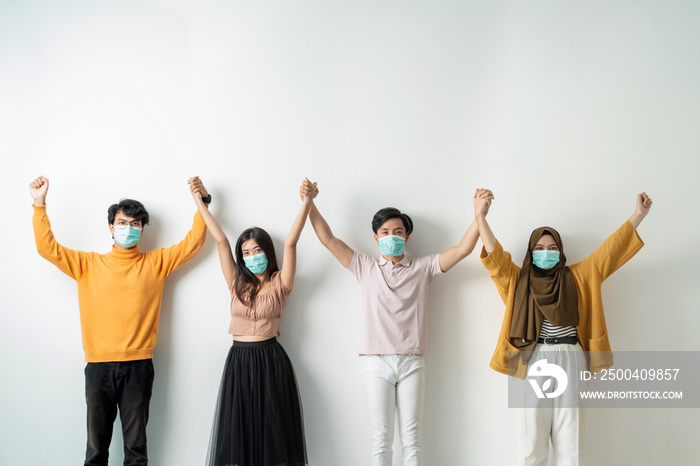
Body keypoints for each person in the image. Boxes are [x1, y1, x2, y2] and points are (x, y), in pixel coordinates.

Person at [305, 179, 492, 466]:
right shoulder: (364, 266)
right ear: (376, 237)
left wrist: (479, 214)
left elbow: (463, 250)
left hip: (412, 363)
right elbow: (328, 239)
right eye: (385, 232)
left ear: (407, 236)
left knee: (411, 437)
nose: (392, 236)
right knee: (380, 438)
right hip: (376, 362)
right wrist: (310, 203)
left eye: (398, 231)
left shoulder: (423, 267)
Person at [29, 175, 209, 466]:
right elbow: (48, 249)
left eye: (135, 224)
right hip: (98, 367)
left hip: (138, 367)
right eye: (123, 223)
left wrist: (202, 203)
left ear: (142, 229)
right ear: (111, 227)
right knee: (96, 449)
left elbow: (193, 242)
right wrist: (39, 205)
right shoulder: (88, 265)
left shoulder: (156, 263)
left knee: (136, 450)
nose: (128, 229)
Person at [474, 189, 653, 465]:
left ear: (561, 252)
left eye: (553, 248)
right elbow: (495, 258)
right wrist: (480, 216)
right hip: (531, 359)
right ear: (531, 252)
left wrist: (638, 216)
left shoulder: (579, 276)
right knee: (531, 442)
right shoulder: (517, 279)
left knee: (572, 443)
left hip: (570, 358)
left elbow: (609, 251)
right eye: (540, 248)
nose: (546, 253)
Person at [188, 176, 313, 466]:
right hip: (239, 360)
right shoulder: (235, 282)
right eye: (246, 253)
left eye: (257, 250)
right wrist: (199, 203)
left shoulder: (282, 283)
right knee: (240, 435)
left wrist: (306, 203)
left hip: (270, 360)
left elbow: (292, 243)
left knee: (272, 435)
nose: (252, 256)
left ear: (268, 252)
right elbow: (220, 239)